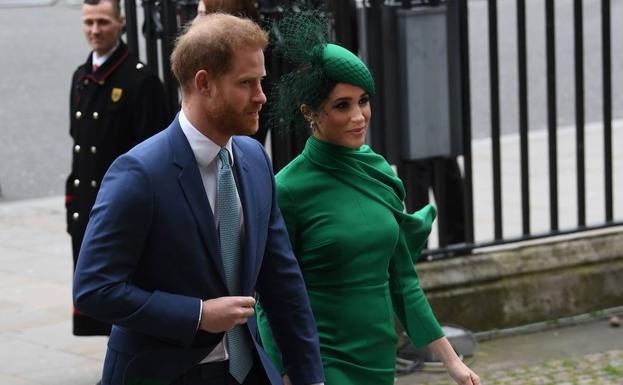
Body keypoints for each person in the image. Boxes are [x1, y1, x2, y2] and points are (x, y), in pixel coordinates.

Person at [72, 13, 324, 385]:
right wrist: (196, 315)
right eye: (246, 83)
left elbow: (282, 280)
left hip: (249, 370)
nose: (261, 96)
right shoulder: (139, 173)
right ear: (204, 83)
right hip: (162, 373)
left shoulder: (254, 158)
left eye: (261, 81)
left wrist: (309, 375)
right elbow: (95, 288)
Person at [256, 10, 480, 385]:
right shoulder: (288, 188)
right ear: (310, 112)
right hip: (321, 363)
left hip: (379, 359)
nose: (359, 116)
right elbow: (270, 297)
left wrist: (452, 362)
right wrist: (287, 372)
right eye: (342, 105)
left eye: (363, 100)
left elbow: (403, 280)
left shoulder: (378, 171)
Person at [66, 0, 168, 336]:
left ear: (121, 23)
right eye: (88, 22)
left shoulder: (141, 82)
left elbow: (155, 155)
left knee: (124, 296)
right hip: (88, 207)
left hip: (120, 211)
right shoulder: (80, 78)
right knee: (95, 295)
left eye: (102, 22)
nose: (94, 30)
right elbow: (78, 145)